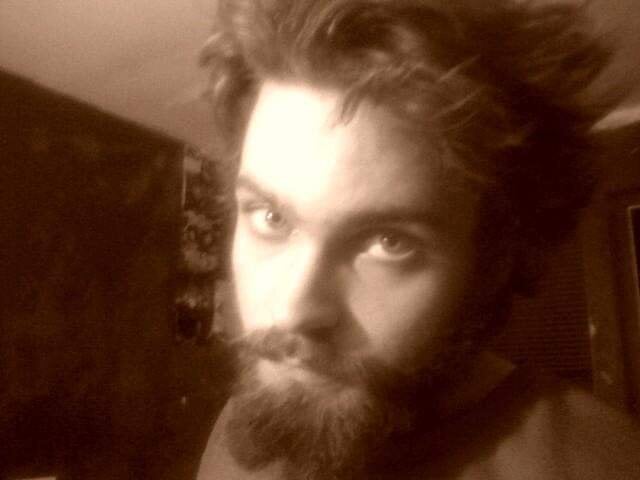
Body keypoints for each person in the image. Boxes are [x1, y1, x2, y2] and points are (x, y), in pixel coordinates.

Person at [196, 0, 640, 478]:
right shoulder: (256, 419)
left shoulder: (603, 465)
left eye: (389, 242)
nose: (292, 312)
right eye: (271, 218)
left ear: (493, 261)